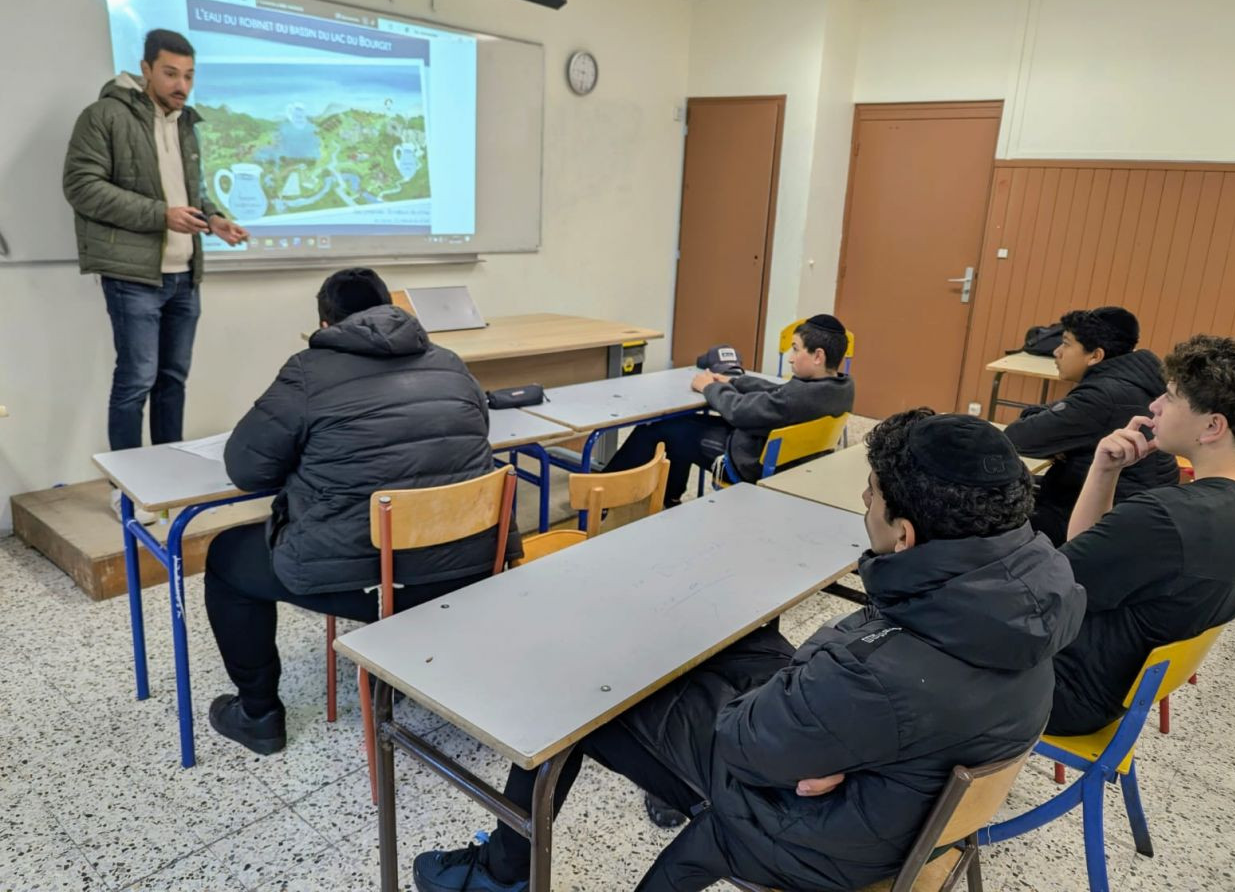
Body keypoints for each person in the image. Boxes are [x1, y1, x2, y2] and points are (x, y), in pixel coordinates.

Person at [412, 411, 1084, 892]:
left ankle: (501, 871)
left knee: (590, 687)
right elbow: (851, 685)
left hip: (804, 834)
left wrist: (811, 707)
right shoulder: (1021, 598)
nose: (862, 500)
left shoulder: (878, 670)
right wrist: (825, 729)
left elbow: (746, 740)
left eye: (872, 496)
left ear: (904, 535)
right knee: (740, 632)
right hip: (887, 793)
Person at [202, 268, 521, 755]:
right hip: (473, 569)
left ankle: (258, 715)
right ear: (392, 307)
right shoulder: (451, 363)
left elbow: (246, 469)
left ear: (326, 325)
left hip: (371, 579)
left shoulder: (307, 371)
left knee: (225, 557)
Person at [63, 28, 249, 522]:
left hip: (184, 273)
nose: (181, 84)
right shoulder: (103, 115)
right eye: (170, 73)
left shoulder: (185, 123)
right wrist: (160, 215)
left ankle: (170, 480)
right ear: (145, 69)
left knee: (172, 380)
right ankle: (126, 486)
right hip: (134, 275)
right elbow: (81, 187)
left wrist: (214, 218)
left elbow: (188, 192)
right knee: (135, 381)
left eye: (188, 75)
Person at [1049, 335, 1235, 736]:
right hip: (1108, 689)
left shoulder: (1167, 518)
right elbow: (1084, 556)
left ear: (1212, 426)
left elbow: (1049, 588)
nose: (1153, 406)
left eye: (1170, 397)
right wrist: (1105, 471)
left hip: (1061, 690)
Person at [604, 315, 855, 507]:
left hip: (747, 462)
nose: (790, 357)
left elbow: (738, 411)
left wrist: (709, 387)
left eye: (796, 349)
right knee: (681, 426)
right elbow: (778, 392)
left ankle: (604, 494)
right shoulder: (840, 388)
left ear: (818, 356)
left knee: (661, 428)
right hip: (778, 456)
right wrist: (734, 381)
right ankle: (669, 502)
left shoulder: (798, 398)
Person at [1004, 306, 1179, 544]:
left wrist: (1059, 440)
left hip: (1100, 523)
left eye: (1066, 344)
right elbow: (1047, 419)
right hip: (1130, 510)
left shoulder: (1104, 395)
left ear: (1096, 356)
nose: (1056, 352)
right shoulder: (1133, 380)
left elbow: (1018, 437)